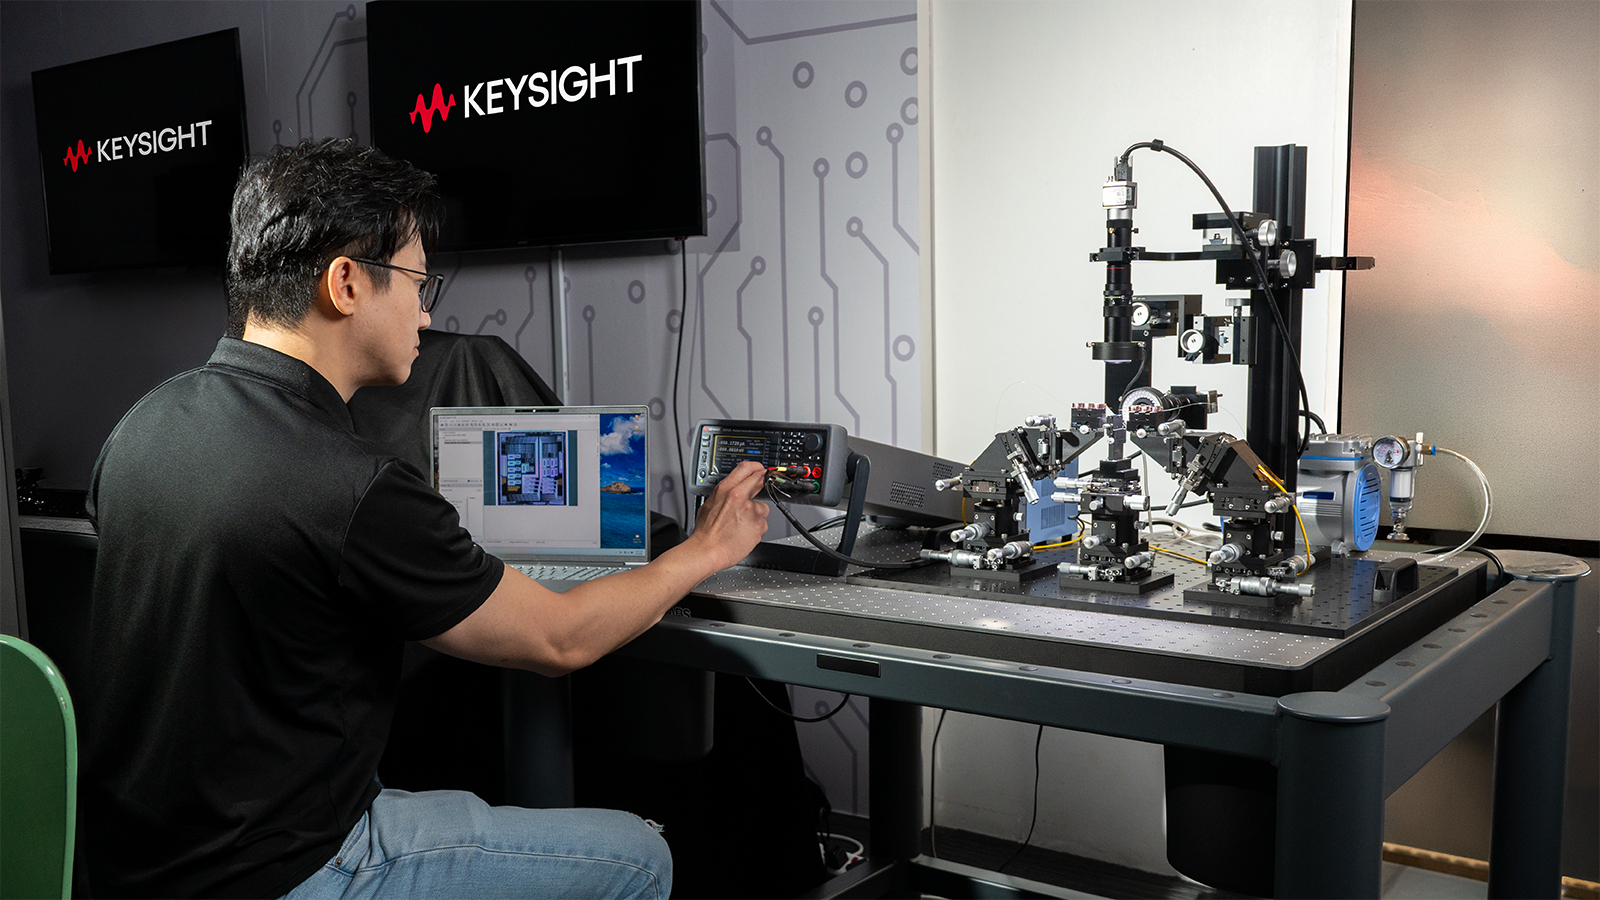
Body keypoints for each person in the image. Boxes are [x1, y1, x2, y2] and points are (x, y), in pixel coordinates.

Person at [79, 137, 770, 899]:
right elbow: (560, 639)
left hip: (136, 863)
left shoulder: (142, 425)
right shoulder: (351, 482)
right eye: (417, 280)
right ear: (346, 282)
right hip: (285, 868)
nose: (427, 310)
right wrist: (705, 548)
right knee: (640, 856)